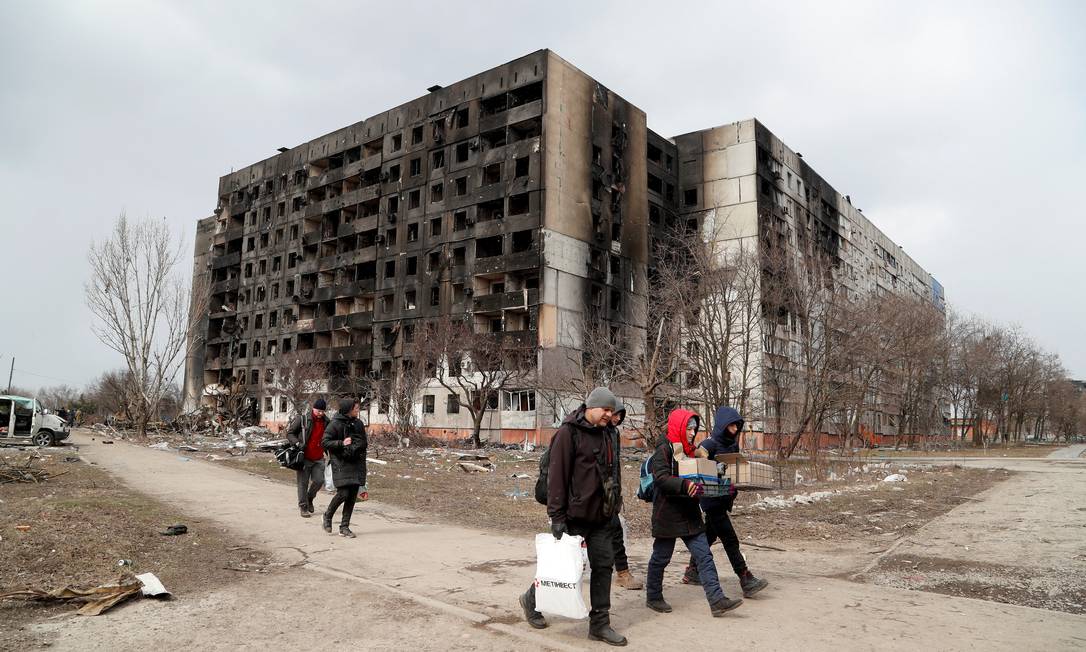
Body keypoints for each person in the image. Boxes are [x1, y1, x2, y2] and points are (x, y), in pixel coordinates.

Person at [519, 387, 627, 647]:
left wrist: (615, 504)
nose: (610, 415)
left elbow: (613, 471)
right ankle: (531, 599)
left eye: (612, 411)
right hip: (573, 516)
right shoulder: (568, 433)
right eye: (606, 410)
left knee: (603, 566)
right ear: (591, 407)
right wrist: (556, 516)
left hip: (601, 517)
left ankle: (600, 624)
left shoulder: (610, 433)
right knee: (566, 568)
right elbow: (558, 476)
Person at [645, 408, 743, 617]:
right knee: (661, 558)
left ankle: (716, 600)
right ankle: (653, 597)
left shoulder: (692, 451)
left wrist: (724, 488)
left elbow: (703, 480)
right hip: (667, 514)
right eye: (688, 428)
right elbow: (661, 478)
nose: (692, 432)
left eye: (694, 428)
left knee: (704, 556)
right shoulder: (664, 449)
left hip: (689, 514)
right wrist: (684, 485)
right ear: (678, 427)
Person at [681, 406, 769, 597]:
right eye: (732, 425)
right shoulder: (709, 444)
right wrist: (713, 469)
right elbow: (698, 464)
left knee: (708, 537)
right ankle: (745, 577)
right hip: (711, 499)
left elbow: (734, 469)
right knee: (730, 539)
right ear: (722, 425)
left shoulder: (732, 444)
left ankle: (692, 571)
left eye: (737, 425)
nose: (735, 429)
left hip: (725, 498)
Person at [608, 400, 642, 591]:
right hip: (585, 500)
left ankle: (622, 573)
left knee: (616, 533)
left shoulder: (613, 433)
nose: (618, 418)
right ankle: (539, 591)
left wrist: (616, 493)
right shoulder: (586, 433)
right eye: (615, 413)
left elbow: (615, 468)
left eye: (621, 415)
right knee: (572, 543)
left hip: (608, 496)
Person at [321, 398, 368, 538]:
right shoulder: (334, 424)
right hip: (341, 463)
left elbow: (363, 441)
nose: (358, 411)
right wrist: (341, 443)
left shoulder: (358, 423)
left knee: (352, 496)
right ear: (348, 409)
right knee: (343, 493)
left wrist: (358, 446)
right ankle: (327, 516)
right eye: (356, 408)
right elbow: (325, 442)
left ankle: (344, 527)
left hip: (356, 462)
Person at [285, 398, 329, 518]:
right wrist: (298, 443)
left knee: (319, 480)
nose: (320, 413)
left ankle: (310, 497)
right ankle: (303, 506)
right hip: (304, 457)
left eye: (322, 411)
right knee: (302, 483)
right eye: (318, 410)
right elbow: (290, 433)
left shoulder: (326, 421)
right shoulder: (303, 419)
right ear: (313, 408)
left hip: (319, 457)